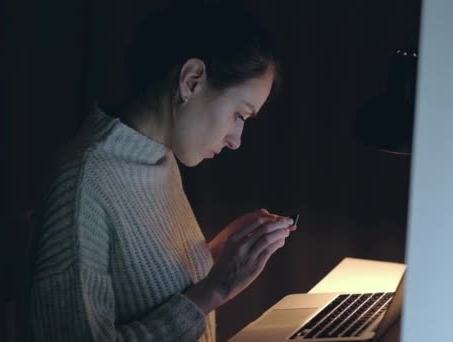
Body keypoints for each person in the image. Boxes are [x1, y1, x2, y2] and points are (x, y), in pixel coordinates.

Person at [19, 2, 297, 341]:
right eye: (239, 114)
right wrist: (215, 288)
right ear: (191, 81)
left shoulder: (156, 158)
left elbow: (142, 292)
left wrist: (213, 257)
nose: (236, 140)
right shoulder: (83, 183)